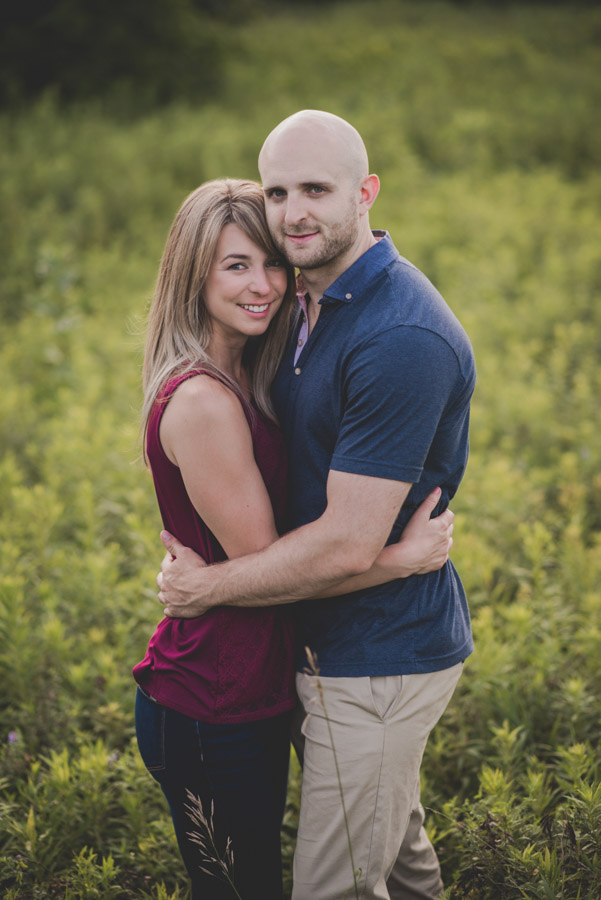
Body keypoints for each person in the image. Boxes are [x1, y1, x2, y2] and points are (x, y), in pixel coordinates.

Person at [156, 111, 476, 900]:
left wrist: (206, 587)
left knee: (334, 886)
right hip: (312, 646)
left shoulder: (398, 336)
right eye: (277, 192)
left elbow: (343, 545)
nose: (293, 213)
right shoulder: (304, 305)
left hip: (376, 658)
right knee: (395, 857)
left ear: (364, 193)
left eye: (316, 190)